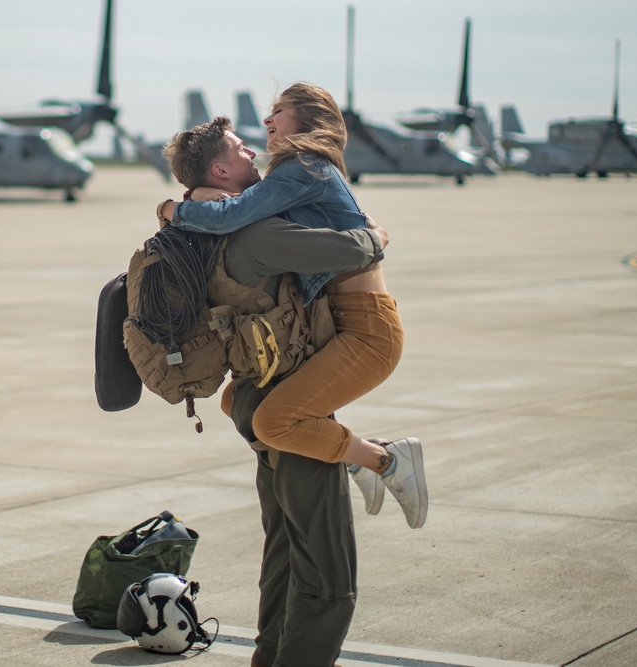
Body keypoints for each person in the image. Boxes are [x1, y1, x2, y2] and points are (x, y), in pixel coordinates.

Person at [159, 118, 385, 667]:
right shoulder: (257, 233)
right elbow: (357, 250)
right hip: (291, 406)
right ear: (220, 170)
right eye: (241, 150)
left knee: (284, 554)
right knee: (327, 578)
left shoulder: (193, 232)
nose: (255, 153)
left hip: (253, 397)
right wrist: (375, 234)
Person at [158, 83, 426, 530]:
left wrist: (171, 209)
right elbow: (236, 209)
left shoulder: (304, 166)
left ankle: (383, 461)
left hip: (368, 329)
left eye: (278, 111)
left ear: (306, 118)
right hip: (339, 324)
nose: (267, 121)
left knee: (274, 422)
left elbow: (231, 217)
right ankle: (361, 454)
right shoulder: (294, 173)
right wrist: (196, 199)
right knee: (237, 400)